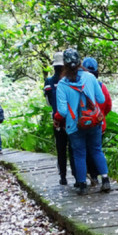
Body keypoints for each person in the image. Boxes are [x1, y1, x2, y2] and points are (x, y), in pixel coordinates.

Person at [55, 49, 111, 195]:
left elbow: (62, 112)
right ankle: (105, 180)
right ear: (80, 61)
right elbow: (101, 99)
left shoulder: (62, 85)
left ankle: (82, 185)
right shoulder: (90, 78)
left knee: (79, 154)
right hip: (94, 122)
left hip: (74, 125)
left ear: (64, 65)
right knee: (96, 150)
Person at [44, 51, 75, 186]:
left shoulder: (49, 82)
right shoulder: (70, 80)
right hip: (72, 120)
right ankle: (77, 177)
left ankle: (63, 177)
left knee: (61, 149)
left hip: (57, 121)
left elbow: (48, 103)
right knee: (73, 148)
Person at [81, 57, 113, 186]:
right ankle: (103, 178)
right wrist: (101, 116)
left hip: (83, 123)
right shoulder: (101, 86)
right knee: (97, 150)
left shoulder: (79, 84)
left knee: (86, 151)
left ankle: (92, 176)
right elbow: (108, 105)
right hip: (99, 124)